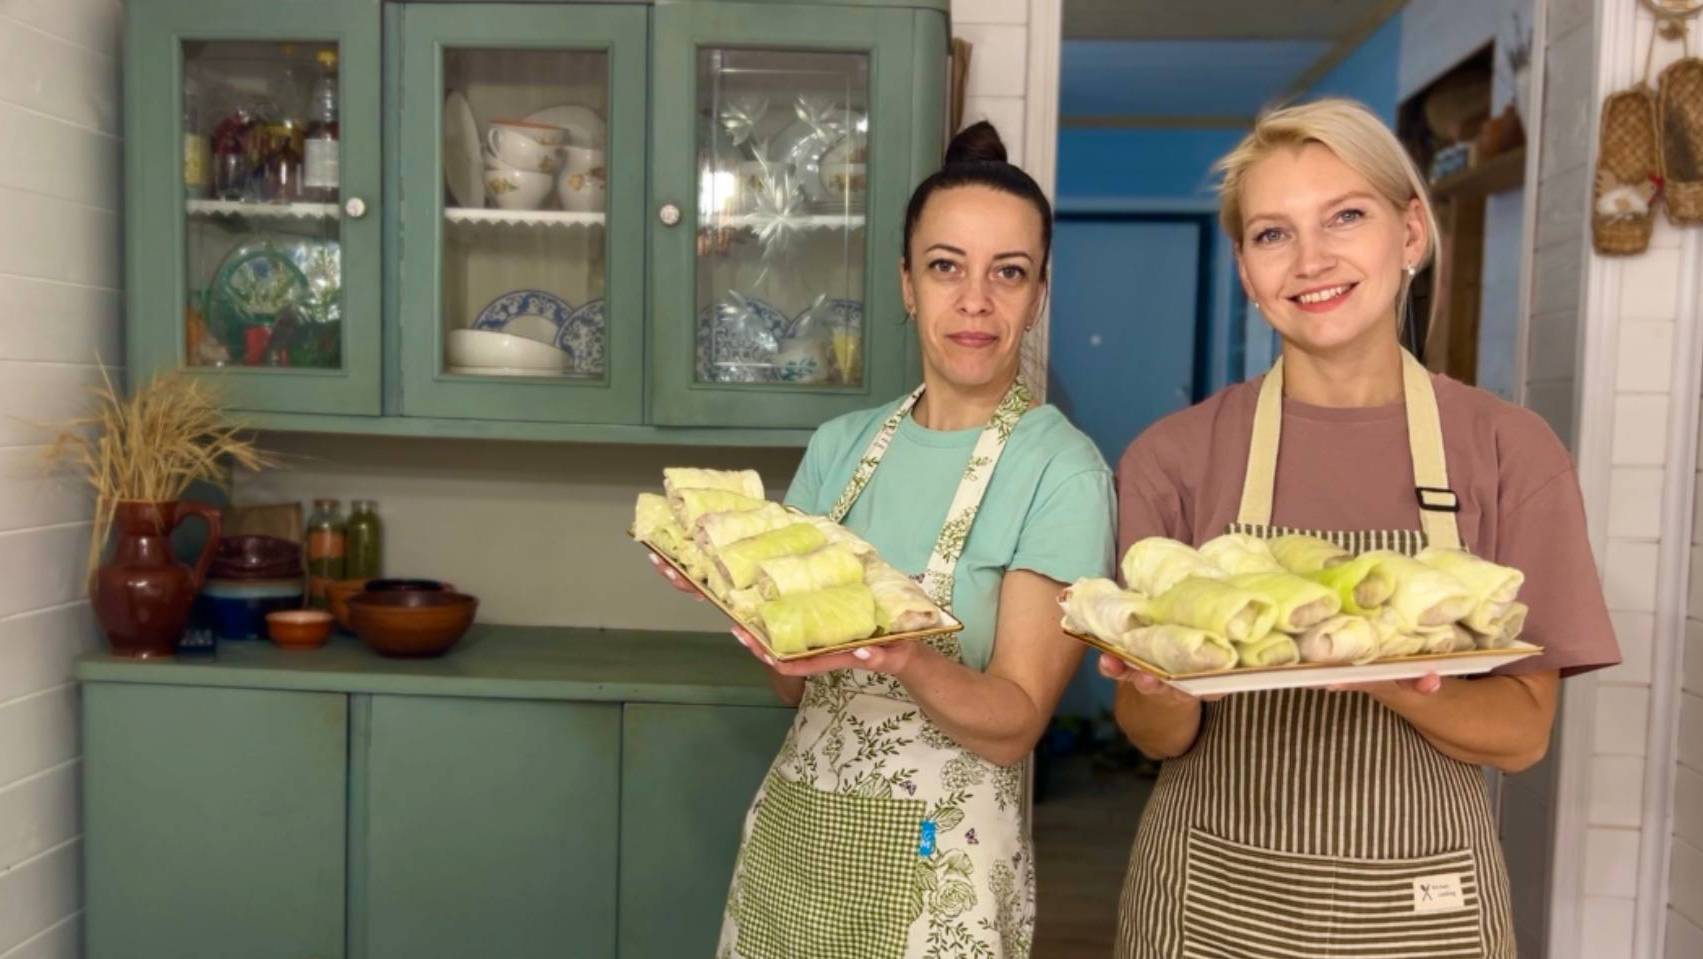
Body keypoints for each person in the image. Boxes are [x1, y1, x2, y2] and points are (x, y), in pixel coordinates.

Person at [1103, 98, 1620, 959]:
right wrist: (1161, 688)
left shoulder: (1508, 451)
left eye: (1344, 216)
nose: (1310, 260)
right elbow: (1153, 733)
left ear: (1409, 234)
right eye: (1272, 234)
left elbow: (1523, 733)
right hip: (1212, 901)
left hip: (1424, 907)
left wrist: (1366, 665)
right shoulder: (1173, 457)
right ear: (1245, 271)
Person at [651, 120, 1115, 958]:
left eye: (1008, 272)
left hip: (942, 876)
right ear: (906, 283)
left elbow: (1014, 722)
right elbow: (791, 688)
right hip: (796, 842)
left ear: (1038, 293)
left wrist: (902, 654)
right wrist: (731, 588)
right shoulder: (841, 447)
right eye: (945, 266)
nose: (974, 301)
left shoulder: (1061, 470)